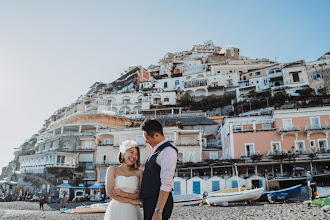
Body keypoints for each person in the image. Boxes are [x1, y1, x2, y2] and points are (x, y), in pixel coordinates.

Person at [140, 119, 178, 220]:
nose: (146, 141)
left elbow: (166, 183)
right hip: (151, 202)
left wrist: (158, 211)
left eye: (147, 138)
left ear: (156, 135)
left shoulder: (168, 151)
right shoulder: (155, 151)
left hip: (158, 204)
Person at [104, 140, 143, 220]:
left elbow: (140, 195)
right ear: (123, 153)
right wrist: (131, 201)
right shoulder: (112, 170)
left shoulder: (140, 172)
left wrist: (122, 193)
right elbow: (109, 193)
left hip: (133, 210)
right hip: (116, 209)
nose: (134, 156)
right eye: (131, 152)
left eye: (136, 154)